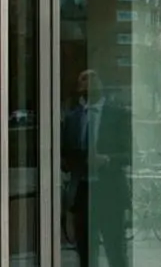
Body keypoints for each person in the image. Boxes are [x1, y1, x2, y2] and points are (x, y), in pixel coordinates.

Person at [62, 69, 128, 267]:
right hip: (82, 193)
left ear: (101, 83)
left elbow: (130, 153)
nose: (88, 82)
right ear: (79, 88)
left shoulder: (118, 114)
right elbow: (64, 155)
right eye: (83, 78)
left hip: (110, 192)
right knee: (86, 254)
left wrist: (107, 159)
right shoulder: (73, 118)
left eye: (93, 77)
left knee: (115, 251)